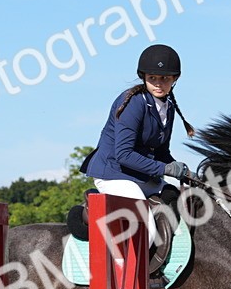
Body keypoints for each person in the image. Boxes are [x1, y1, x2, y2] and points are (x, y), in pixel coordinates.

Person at [83, 43, 196, 247]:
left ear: (175, 79)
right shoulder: (134, 102)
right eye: (152, 78)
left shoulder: (167, 107)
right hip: (114, 174)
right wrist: (165, 169)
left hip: (137, 175)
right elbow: (124, 154)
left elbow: (161, 153)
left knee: (177, 200)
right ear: (144, 76)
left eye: (165, 78)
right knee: (148, 231)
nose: (158, 83)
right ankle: (125, 278)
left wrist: (185, 172)